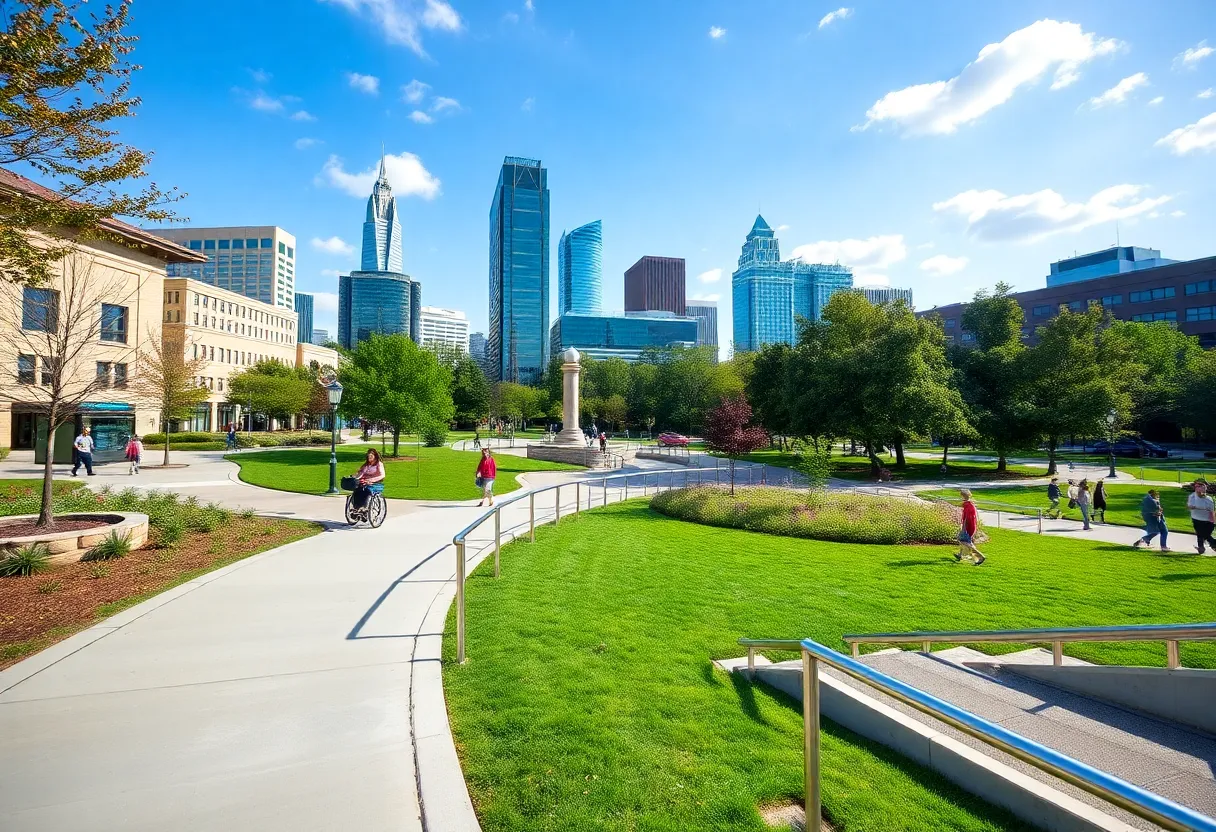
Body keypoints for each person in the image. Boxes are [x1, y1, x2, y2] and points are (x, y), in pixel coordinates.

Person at [954, 488, 986, 565]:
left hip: (968, 527)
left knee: (965, 541)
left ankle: (981, 556)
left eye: (961, 496)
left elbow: (967, 519)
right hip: (970, 526)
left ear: (963, 496)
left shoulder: (968, 505)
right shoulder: (970, 504)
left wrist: (963, 528)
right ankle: (960, 555)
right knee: (962, 539)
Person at [350, 449, 386, 517]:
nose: (369, 458)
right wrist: (355, 478)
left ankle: (364, 508)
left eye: (371, 456)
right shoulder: (366, 465)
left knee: (367, 491)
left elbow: (382, 475)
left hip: (375, 483)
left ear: (375, 456)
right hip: (364, 482)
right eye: (368, 457)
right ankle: (357, 508)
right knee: (357, 491)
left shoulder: (379, 464)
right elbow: (361, 473)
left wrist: (371, 480)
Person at [1186, 480, 1216, 555]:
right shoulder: (1192, 496)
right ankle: (1203, 547)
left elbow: (1212, 510)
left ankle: (1206, 547)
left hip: (1208, 520)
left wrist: (1214, 520)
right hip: (1197, 519)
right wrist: (1195, 507)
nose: (1203, 491)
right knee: (1202, 534)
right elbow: (1190, 506)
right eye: (1200, 489)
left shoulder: (1209, 498)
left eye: (1204, 489)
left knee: (1204, 535)